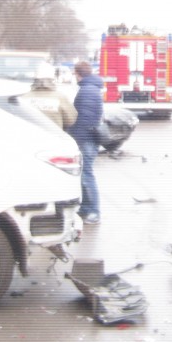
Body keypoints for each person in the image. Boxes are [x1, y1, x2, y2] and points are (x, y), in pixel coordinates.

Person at [69, 60, 104, 225]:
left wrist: (76, 139)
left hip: (86, 140)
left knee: (86, 176)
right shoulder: (90, 88)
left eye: (74, 74)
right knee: (84, 175)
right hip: (89, 138)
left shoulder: (87, 91)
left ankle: (94, 212)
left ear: (78, 74)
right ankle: (85, 208)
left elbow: (84, 119)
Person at [21, 63, 77, 131]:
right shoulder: (60, 98)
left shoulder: (24, 98)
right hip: (53, 137)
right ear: (52, 79)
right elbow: (70, 119)